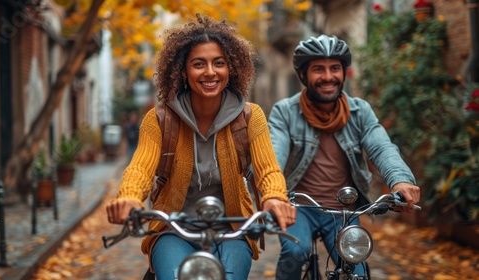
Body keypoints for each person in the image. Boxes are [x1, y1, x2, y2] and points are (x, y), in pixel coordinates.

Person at [106, 14, 296, 280]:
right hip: (173, 230)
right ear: (183, 71)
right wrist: (129, 198)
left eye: (219, 63)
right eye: (199, 64)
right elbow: (140, 168)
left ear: (230, 69)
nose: (210, 72)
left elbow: (268, 171)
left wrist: (274, 197)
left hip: (233, 228)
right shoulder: (159, 120)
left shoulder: (251, 117)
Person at [267, 34, 421, 279]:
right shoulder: (285, 112)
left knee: (355, 269)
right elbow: (274, 155)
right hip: (297, 208)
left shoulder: (360, 111)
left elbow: (381, 147)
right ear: (303, 75)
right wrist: (273, 194)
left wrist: (400, 180)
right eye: (318, 69)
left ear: (344, 72)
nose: (328, 77)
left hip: (344, 211)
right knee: (295, 253)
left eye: (335, 68)